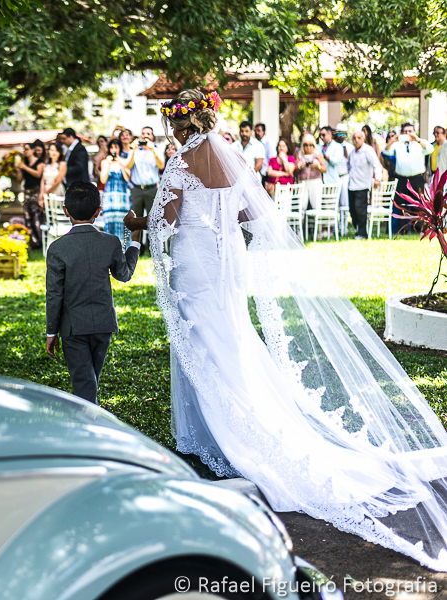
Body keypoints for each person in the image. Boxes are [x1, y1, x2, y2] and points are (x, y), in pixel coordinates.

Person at [125, 87, 447, 571]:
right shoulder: (231, 156)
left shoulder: (181, 161)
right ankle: (236, 422)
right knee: (231, 338)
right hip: (230, 262)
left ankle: (231, 433)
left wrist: (137, 223)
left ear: (179, 122)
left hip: (196, 263)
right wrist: (220, 218)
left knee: (208, 343)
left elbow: (163, 220)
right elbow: (254, 214)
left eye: (173, 120)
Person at [45, 181, 140, 403]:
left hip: (73, 327)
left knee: (85, 383)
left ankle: (88, 426)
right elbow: (124, 274)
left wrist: (51, 332)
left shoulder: (57, 248)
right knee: (89, 380)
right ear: (98, 212)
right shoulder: (111, 242)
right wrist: (135, 242)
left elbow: (54, 294)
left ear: (65, 210)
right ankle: (89, 419)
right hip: (103, 324)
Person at [382, 122, 433, 233]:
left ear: (414, 132)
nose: (407, 133)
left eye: (410, 131)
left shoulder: (420, 143)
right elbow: (385, 151)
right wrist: (393, 139)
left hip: (417, 179)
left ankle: (419, 228)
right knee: (400, 205)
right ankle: (403, 229)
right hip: (402, 179)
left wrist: (418, 139)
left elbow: (430, 149)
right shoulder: (397, 144)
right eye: (405, 131)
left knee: (418, 205)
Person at [346, 130, 382, 239]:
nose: (356, 140)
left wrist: (378, 178)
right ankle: (358, 229)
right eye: (354, 138)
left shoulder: (368, 151)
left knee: (360, 209)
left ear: (363, 139)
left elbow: (376, 165)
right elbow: (349, 166)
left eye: (359, 138)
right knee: (352, 210)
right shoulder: (352, 152)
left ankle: (362, 233)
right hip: (351, 185)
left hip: (362, 185)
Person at [126, 127, 164, 230]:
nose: (145, 135)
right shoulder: (135, 150)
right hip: (137, 189)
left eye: (148, 133)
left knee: (152, 219)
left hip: (151, 189)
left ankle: (151, 244)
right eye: (143, 133)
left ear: (152, 136)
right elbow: (128, 166)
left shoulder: (156, 149)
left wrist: (152, 149)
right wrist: (133, 150)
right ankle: (138, 245)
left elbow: (161, 166)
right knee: (136, 219)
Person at [99, 138, 131, 246]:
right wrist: (108, 165)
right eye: (112, 147)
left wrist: (121, 164)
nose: (114, 150)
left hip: (122, 196)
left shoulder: (125, 161)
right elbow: (103, 179)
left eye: (116, 148)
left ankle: (124, 249)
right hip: (110, 196)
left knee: (123, 222)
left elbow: (127, 179)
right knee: (110, 222)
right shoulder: (105, 162)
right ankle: (110, 249)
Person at [16, 142, 45, 249]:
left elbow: (38, 174)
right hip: (27, 191)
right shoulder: (24, 163)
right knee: (28, 217)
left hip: (36, 191)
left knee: (37, 216)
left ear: (33, 150)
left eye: (27, 149)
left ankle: (41, 241)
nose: (25, 152)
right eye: (24, 150)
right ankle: (32, 241)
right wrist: (18, 170)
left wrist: (25, 167)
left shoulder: (39, 162)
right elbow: (19, 180)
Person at [320, 126, 349, 212]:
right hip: (325, 180)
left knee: (342, 205)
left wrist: (324, 157)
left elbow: (336, 161)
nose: (341, 136)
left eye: (323, 135)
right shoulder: (320, 147)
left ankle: (342, 224)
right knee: (328, 206)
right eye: (339, 134)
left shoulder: (338, 147)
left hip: (340, 178)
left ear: (330, 134)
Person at [294, 134, 326, 209]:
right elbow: (295, 171)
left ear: (313, 145)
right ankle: (302, 220)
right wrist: (300, 166)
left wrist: (317, 166)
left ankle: (316, 220)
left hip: (315, 181)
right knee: (301, 205)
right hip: (303, 182)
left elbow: (324, 169)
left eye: (310, 145)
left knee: (316, 205)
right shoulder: (300, 154)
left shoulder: (318, 154)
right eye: (306, 145)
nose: (308, 147)